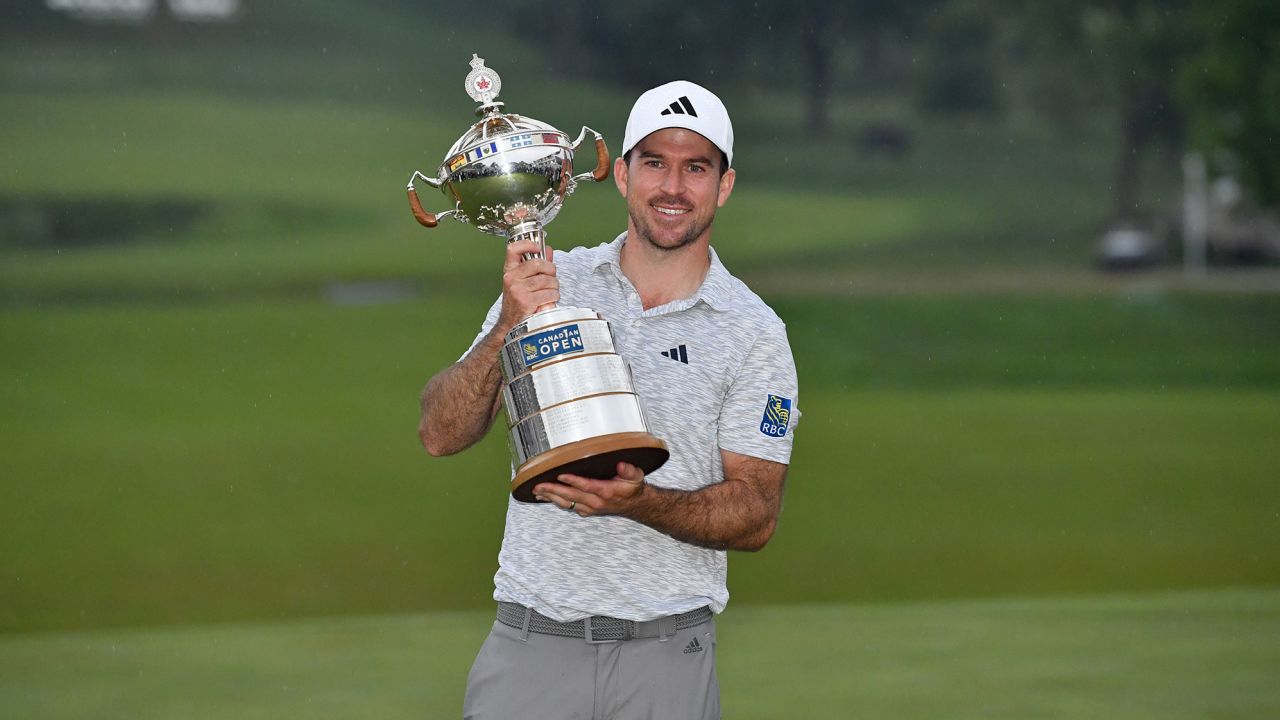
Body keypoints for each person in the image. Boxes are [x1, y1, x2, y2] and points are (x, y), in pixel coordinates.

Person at [419, 80, 800, 720]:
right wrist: (509, 323)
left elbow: (757, 514)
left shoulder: (753, 332)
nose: (672, 187)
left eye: (696, 168)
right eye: (654, 162)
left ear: (724, 185)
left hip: (667, 657)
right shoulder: (548, 282)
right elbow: (440, 431)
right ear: (621, 174)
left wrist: (641, 503)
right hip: (532, 647)